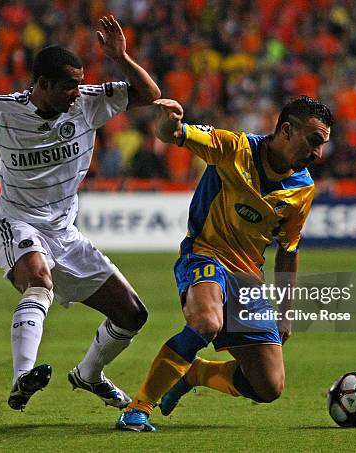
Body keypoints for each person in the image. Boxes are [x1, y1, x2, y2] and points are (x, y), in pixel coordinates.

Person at [0, 15, 161, 411]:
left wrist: (121, 58)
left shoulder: (88, 103)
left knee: (132, 314)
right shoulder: (4, 112)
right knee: (39, 280)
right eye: (69, 85)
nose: (77, 91)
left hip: (65, 232)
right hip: (17, 220)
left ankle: (88, 375)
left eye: (80, 82)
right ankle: (23, 378)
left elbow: (149, 94)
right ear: (43, 85)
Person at [117, 96, 332, 431]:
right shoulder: (234, 148)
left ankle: (196, 372)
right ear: (287, 130)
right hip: (204, 254)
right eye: (314, 141)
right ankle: (139, 406)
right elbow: (172, 135)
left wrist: (287, 313)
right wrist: (170, 121)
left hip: (247, 278)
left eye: (323, 145)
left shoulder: (302, 189)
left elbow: (288, 249)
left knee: (268, 386)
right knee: (206, 321)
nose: (318, 154)